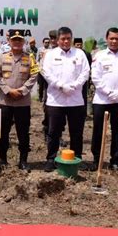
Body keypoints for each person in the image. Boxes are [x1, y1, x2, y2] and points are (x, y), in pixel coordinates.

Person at [41, 27, 90, 172]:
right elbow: (46, 73)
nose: (66, 41)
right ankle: (51, 159)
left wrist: (75, 86)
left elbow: (85, 72)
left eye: (68, 38)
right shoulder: (50, 54)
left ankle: (78, 158)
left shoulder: (79, 54)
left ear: (72, 39)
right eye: (63, 38)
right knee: (54, 131)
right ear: (57, 40)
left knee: (76, 132)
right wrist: (61, 86)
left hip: (75, 100)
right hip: (56, 100)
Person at [90, 28, 118, 173]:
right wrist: (108, 92)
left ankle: (116, 161)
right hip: (101, 100)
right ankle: (97, 159)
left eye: (117, 39)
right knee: (98, 130)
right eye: (111, 38)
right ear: (107, 39)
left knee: (117, 131)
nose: (114, 41)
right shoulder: (99, 56)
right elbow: (95, 77)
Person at [0, 29, 39, 172]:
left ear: (23, 42)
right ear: (9, 41)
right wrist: (8, 90)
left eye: (19, 40)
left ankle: (23, 161)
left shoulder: (30, 58)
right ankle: (2, 159)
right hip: (5, 102)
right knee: (3, 132)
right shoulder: (1, 57)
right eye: (14, 40)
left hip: (22, 102)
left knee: (23, 132)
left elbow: (34, 76)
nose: (17, 42)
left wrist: (22, 91)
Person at [74, 38, 92, 108]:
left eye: (80, 45)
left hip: (83, 78)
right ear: (74, 45)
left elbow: (89, 66)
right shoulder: (72, 53)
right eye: (77, 45)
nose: (79, 46)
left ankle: (84, 112)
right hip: (74, 78)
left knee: (84, 95)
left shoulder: (87, 54)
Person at [37, 37, 50, 102]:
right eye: (45, 42)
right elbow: (37, 60)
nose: (47, 43)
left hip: (48, 71)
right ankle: (40, 97)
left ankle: (46, 98)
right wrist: (38, 68)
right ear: (43, 43)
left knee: (47, 85)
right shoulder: (40, 49)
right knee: (41, 85)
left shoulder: (51, 50)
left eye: (48, 42)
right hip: (41, 70)